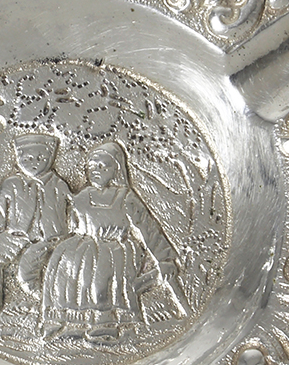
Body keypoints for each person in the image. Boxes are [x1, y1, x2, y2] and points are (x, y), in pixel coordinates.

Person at [42, 142, 183, 341]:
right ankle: (67, 321)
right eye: (92, 166)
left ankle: (105, 322)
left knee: (102, 268)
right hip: (83, 244)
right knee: (64, 264)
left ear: (116, 169)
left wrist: (164, 259)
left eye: (103, 166)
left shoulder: (125, 197)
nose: (96, 170)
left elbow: (148, 228)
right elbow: (71, 224)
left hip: (115, 247)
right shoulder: (82, 197)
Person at [0, 133, 71, 313]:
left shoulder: (58, 185)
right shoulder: (11, 184)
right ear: (18, 158)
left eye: (40, 158)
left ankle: (49, 301)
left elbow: (74, 210)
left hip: (48, 240)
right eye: (27, 158)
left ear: (50, 158)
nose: (33, 162)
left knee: (27, 271)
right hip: (15, 237)